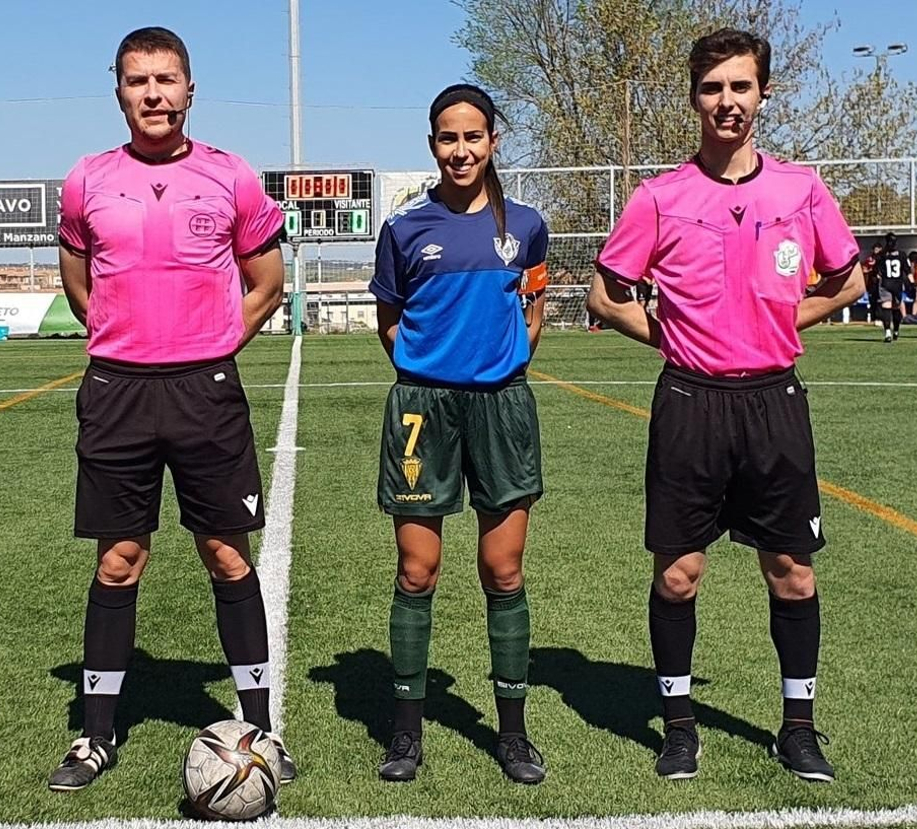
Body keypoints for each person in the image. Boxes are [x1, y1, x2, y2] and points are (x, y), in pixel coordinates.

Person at [587, 28, 864, 783]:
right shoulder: (660, 196)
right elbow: (605, 296)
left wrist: (779, 322)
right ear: (693, 98)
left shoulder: (801, 189)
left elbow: (847, 281)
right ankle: (679, 726)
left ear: (764, 94)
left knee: (792, 572)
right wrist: (676, 338)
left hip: (774, 401)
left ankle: (798, 727)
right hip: (689, 401)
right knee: (678, 575)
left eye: (741, 87)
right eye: (712, 88)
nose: (727, 102)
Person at [48, 26, 291, 792]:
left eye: (166, 79)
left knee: (225, 553)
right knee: (119, 561)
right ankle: (94, 737)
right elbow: (80, 282)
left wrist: (213, 346)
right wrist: (130, 341)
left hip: (204, 391)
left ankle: (259, 727)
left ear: (190, 89)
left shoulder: (232, 176)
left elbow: (266, 283)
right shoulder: (86, 180)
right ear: (118, 91)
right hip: (117, 390)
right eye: (137, 81)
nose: (153, 93)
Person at [368, 84, 551, 786]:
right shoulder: (406, 229)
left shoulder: (528, 225)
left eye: (473, 136)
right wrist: (427, 372)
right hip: (423, 409)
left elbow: (533, 305)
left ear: (494, 141)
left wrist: (505, 362)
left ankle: (512, 733)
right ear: (432, 144)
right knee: (418, 570)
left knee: (503, 570)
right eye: (449, 137)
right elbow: (390, 320)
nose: (462, 149)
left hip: (502, 407)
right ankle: (406, 733)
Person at [876, 232, 909, 342]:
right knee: (895, 308)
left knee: (887, 307)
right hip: (897, 284)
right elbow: (907, 271)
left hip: (886, 283)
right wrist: (912, 283)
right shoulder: (902, 255)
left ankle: (888, 333)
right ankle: (895, 330)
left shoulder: (882, 255)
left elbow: (878, 273)